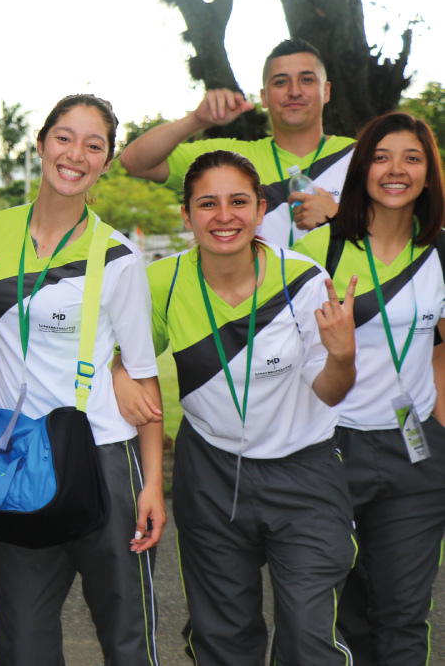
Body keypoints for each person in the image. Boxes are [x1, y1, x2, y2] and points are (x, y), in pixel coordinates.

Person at [0, 94, 167, 665]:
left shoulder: (120, 257)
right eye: (63, 137)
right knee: (23, 644)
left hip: (102, 457)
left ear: (106, 163)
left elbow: (144, 377)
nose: (74, 153)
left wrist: (151, 482)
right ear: (40, 143)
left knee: (126, 634)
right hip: (16, 458)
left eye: (93, 144)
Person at [117, 149, 358, 663]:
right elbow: (124, 355)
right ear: (186, 214)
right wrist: (118, 372)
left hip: (306, 474)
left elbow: (331, 391)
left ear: (260, 209)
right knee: (223, 636)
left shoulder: (304, 278)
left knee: (310, 635)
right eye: (207, 203)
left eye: (238, 202)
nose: (223, 216)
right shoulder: (161, 282)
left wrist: (342, 356)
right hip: (212, 472)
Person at [292, 112, 445, 665]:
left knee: (403, 612)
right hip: (329, 449)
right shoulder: (320, 252)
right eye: (381, 157)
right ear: (362, 170)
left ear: (429, 174)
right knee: (325, 611)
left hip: (415, 450)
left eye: (413, 157)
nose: (396, 170)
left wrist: (439, 428)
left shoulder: (440, 253)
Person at [121, 38, 356, 248]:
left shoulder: (361, 155)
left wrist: (337, 217)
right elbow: (136, 162)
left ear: (326, 91)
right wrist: (197, 120)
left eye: (306, 80)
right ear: (264, 97)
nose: (294, 91)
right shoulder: (229, 159)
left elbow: (390, 237)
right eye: (281, 82)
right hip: (260, 298)